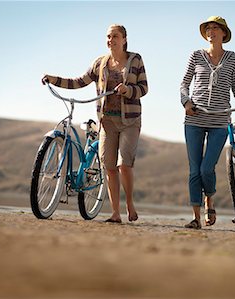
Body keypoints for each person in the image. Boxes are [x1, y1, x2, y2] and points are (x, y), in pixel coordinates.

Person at [42, 24, 148, 223]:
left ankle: (130, 204)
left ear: (124, 39)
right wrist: (54, 79)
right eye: (108, 36)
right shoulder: (100, 63)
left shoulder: (136, 60)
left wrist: (128, 90)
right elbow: (78, 81)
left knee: (124, 164)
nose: (111, 40)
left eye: (115, 36)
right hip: (106, 122)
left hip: (130, 121)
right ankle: (115, 213)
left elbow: (144, 88)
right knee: (109, 167)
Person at [180, 16, 235, 229]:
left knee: (206, 169)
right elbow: (184, 84)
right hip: (194, 118)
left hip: (220, 121)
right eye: (208, 28)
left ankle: (209, 200)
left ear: (223, 33)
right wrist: (186, 102)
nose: (211, 32)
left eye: (215, 28)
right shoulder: (195, 55)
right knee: (194, 170)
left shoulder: (233, 58)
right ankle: (196, 218)